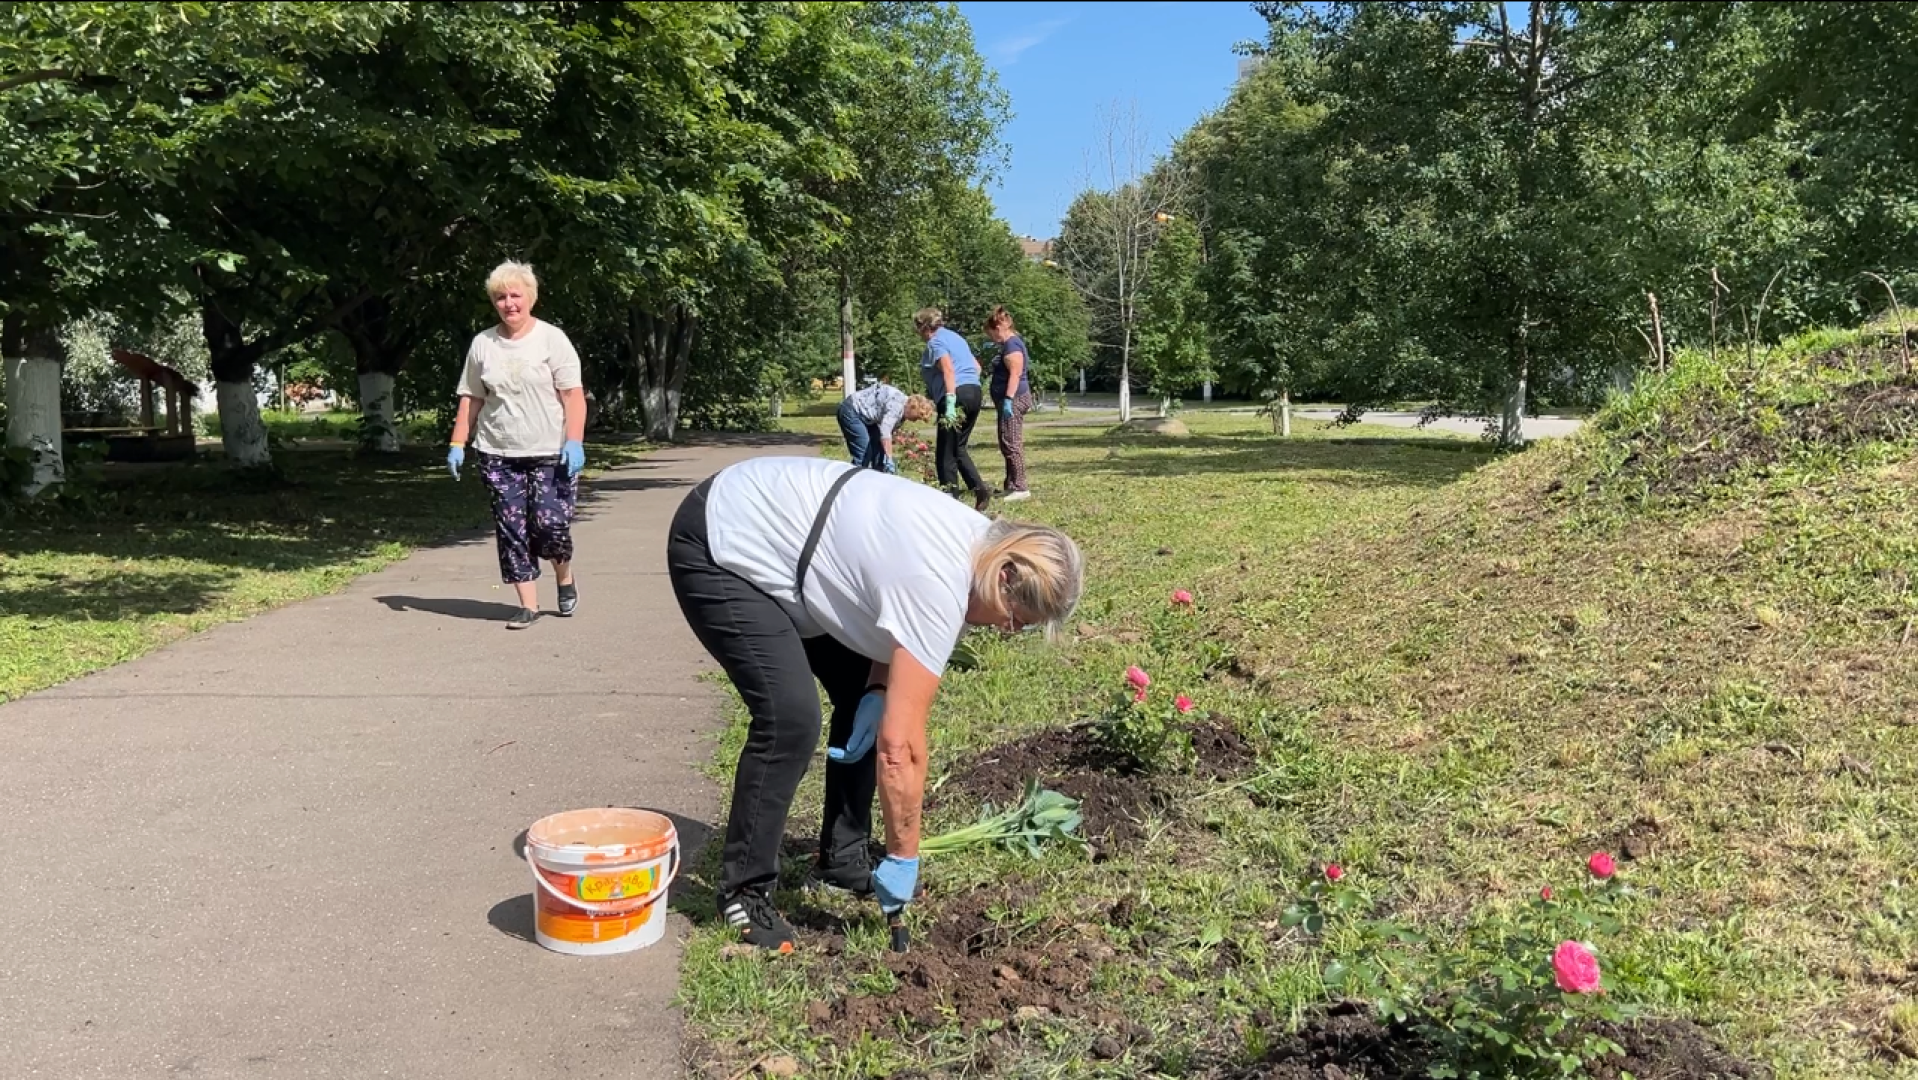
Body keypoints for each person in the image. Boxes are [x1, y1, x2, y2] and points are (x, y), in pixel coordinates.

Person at [666, 455, 1084, 951]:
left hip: (790, 547)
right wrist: (903, 856)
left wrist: (876, 690)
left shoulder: (978, 548)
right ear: (1006, 574)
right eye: (1015, 618)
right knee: (790, 719)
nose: (1007, 630)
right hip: (722, 540)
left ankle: (842, 858)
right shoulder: (941, 579)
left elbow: (889, 623)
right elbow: (899, 750)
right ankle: (744, 891)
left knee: (860, 692)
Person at [446, 260, 588, 630]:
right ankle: (528, 606)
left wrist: (574, 440)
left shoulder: (551, 339)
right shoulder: (483, 344)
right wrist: (458, 441)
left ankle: (565, 577)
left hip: (550, 452)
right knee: (512, 528)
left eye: (515, 295)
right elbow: (471, 397)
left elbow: (572, 395)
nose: (508, 303)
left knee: (550, 525)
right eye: (500, 297)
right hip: (498, 453)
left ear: (530, 298)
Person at [915, 308, 991, 511]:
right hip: (974, 392)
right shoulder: (956, 338)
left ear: (924, 327)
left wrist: (950, 401)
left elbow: (948, 369)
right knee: (958, 447)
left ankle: (949, 500)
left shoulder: (935, 342)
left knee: (945, 452)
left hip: (955, 396)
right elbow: (976, 367)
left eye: (917, 328)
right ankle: (980, 489)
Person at [984, 306, 1035, 502]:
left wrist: (1008, 398)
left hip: (1014, 400)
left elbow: (1015, 374)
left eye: (991, 334)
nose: (991, 338)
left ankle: (1021, 487)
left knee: (1012, 443)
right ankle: (1011, 485)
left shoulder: (1012, 346)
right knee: (1006, 442)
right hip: (1009, 399)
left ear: (998, 328)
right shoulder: (1008, 345)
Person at [837, 378, 933, 472]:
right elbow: (885, 431)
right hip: (852, 410)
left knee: (880, 451)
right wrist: (889, 457)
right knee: (864, 452)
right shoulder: (897, 406)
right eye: (916, 417)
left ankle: (878, 477)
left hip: (867, 417)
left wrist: (886, 456)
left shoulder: (903, 413)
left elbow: (885, 436)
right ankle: (855, 478)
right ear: (912, 407)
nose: (915, 421)